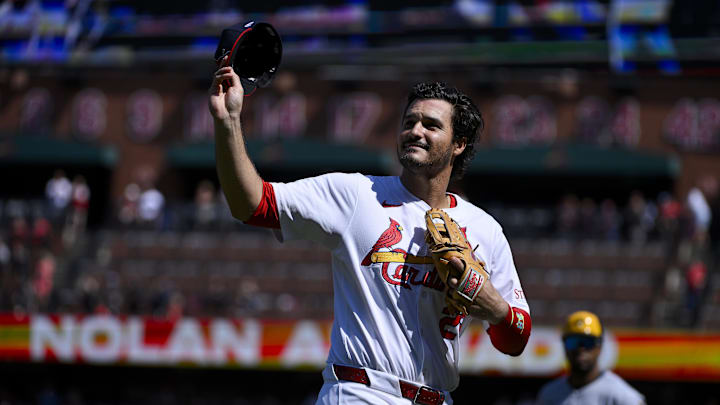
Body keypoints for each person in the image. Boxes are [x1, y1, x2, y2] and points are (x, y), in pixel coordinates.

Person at [210, 59, 531, 405]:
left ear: (459, 144)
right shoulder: (356, 195)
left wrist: (494, 307)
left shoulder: (485, 229)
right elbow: (253, 206)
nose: (416, 130)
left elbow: (515, 341)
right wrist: (228, 122)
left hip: (437, 397)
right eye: (410, 122)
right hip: (360, 390)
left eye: (431, 125)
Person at [536, 311, 645, 405]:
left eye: (588, 342)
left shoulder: (623, 397)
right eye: (573, 342)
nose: (580, 349)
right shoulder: (549, 394)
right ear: (564, 345)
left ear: (600, 346)